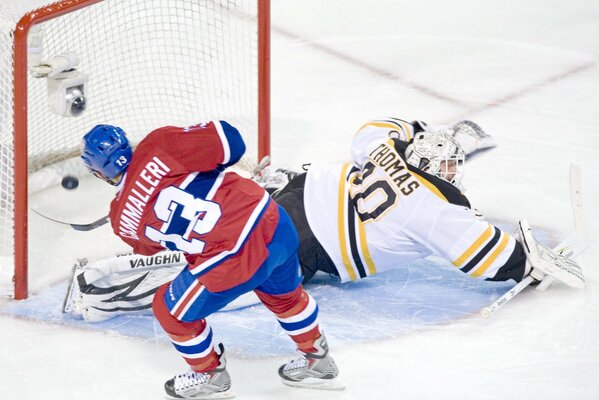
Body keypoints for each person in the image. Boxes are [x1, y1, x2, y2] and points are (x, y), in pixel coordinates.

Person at [70, 117, 584, 321]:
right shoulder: (435, 212)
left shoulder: (385, 151)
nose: (457, 173)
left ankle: (124, 266)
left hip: (296, 189)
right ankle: (112, 295)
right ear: (432, 167)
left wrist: (413, 130)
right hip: (306, 246)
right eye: (450, 164)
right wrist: (530, 264)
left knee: (224, 229)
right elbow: (491, 257)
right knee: (234, 277)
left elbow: (375, 128)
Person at [80, 121, 343, 399]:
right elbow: (232, 142)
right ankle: (318, 360)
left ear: (99, 174)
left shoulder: (121, 220)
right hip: (273, 220)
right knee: (284, 298)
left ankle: (210, 376)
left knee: (169, 311)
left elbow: (148, 249)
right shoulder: (159, 144)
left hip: (235, 255)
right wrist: (207, 164)